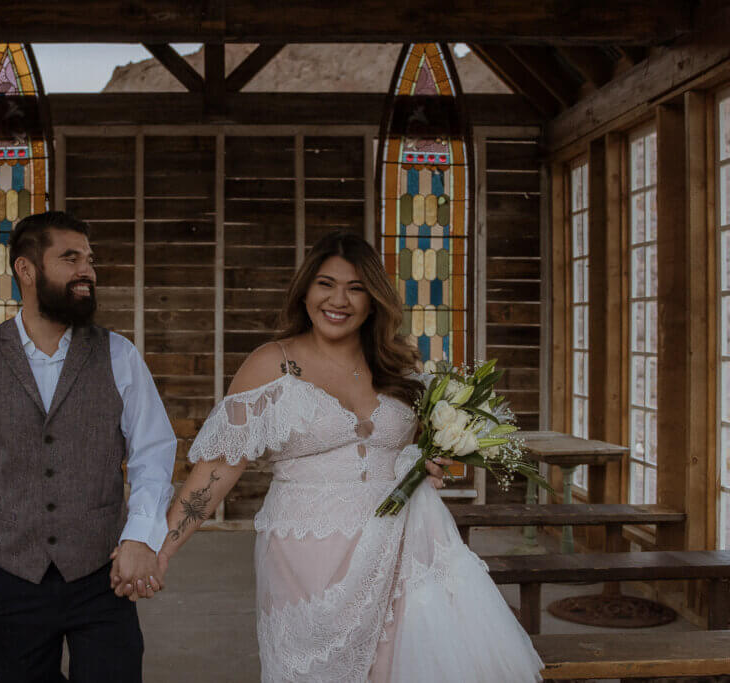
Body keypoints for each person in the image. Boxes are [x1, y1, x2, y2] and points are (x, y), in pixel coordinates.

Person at [155, 231, 544, 682]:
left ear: (373, 300)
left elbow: (417, 449)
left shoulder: (398, 366)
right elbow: (216, 471)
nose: (338, 299)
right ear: (305, 291)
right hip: (307, 557)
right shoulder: (270, 364)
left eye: (356, 288)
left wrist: (426, 462)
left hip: (403, 550)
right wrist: (159, 550)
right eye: (326, 284)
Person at [0, 211, 176, 682]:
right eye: (71, 258)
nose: (88, 271)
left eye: (90, 259)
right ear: (26, 270)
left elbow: (154, 451)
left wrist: (140, 535)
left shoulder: (119, 355)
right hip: (13, 580)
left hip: (102, 578)